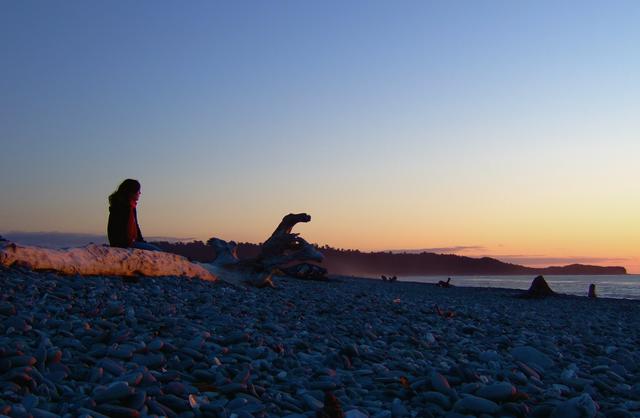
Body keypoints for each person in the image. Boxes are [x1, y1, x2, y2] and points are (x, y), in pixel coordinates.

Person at [107, 179, 161, 251]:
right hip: (124, 244)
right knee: (157, 251)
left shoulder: (131, 206)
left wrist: (141, 241)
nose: (140, 193)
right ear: (131, 192)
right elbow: (117, 229)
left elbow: (136, 226)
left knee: (156, 249)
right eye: (138, 191)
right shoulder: (121, 207)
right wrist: (125, 244)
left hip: (131, 242)